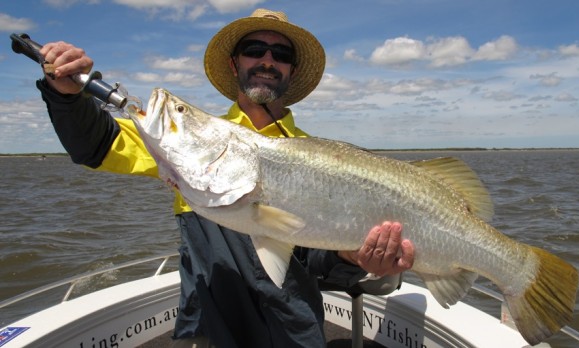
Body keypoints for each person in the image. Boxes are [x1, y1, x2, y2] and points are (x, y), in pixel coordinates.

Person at [36, 8, 415, 348]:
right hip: (210, 330)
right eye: (254, 49)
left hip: (295, 334)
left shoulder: (323, 158)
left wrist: (358, 258)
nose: (267, 61)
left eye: (281, 55)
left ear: (291, 72)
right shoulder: (185, 145)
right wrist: (67, 97)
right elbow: (96, 144)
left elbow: (320, 261)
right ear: (235, 65)